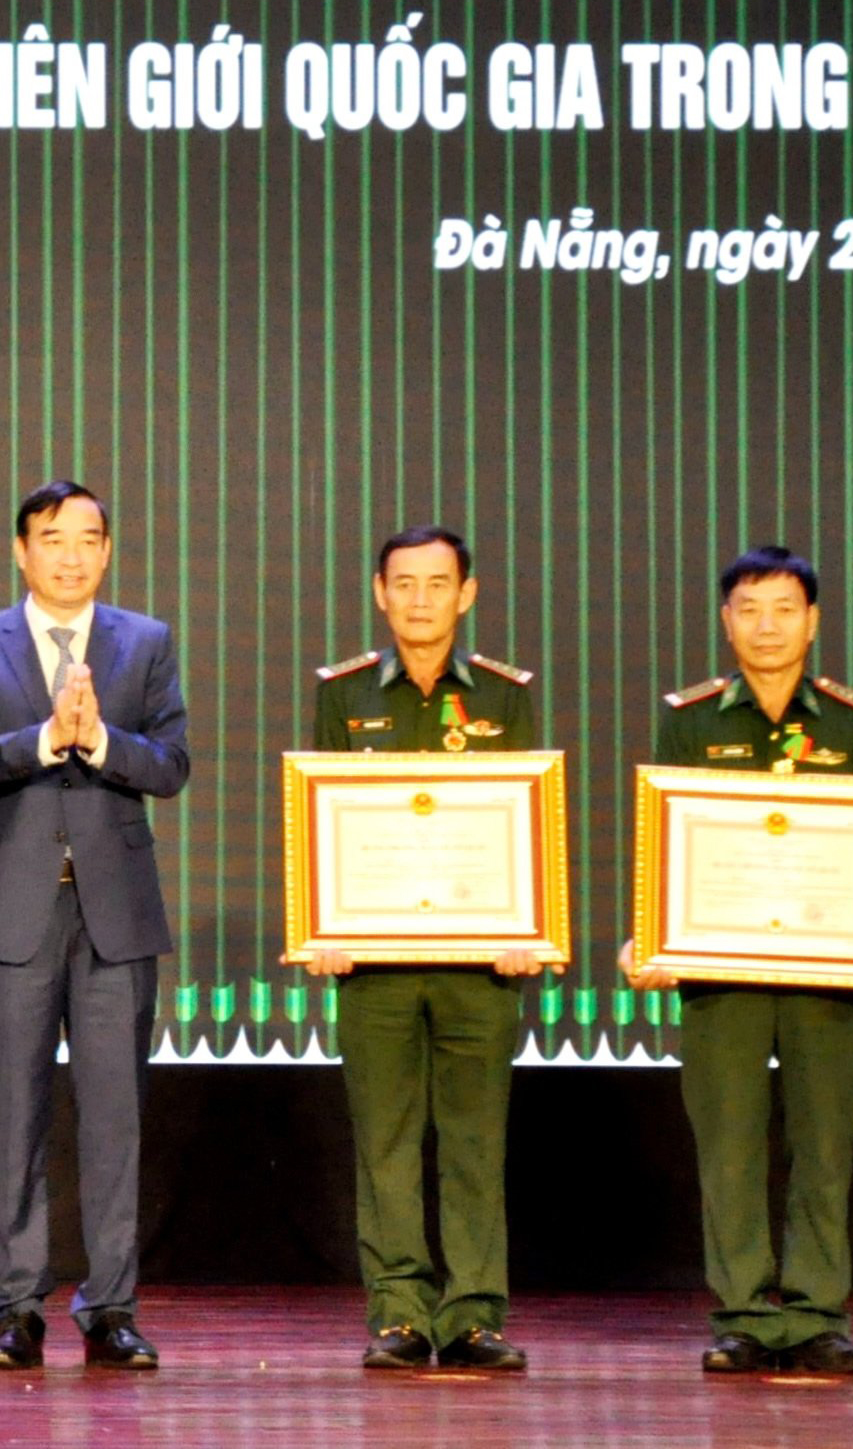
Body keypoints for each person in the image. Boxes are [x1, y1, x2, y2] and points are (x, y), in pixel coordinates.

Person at [619, 544, 853, 1377]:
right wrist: (649, 932)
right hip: (721, 974)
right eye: (749, 607)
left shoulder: (852, 721)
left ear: (813, 620)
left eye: (784, 607)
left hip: (826, 973)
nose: (766, 624)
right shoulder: (691, 718)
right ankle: (746, 1316)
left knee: (825, 1149)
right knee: (729, 1146)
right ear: (726, 620)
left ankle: (819, 1315)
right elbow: (667, 838)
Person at [0, 480, 190, 1371]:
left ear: (107, 550)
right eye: (52, 538)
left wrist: (103, 741)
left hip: (115, 914)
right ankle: (16, 1307)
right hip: (11, 912)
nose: (71, 554)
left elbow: (172, 763)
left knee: (115, 1118)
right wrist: (45, 739)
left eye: (88, 538)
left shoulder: (145, 642)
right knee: (14, 1117)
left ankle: (111, 1306)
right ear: (21, 550)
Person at [303, 526, 544, 1373]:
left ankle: (475, 1314)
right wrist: (323, 925)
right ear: (379, 591)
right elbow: (321, 817)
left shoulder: (506, 697)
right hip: (375, 967)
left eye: (437, 583)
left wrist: (527, 926)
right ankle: (400, 1313)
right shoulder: (343, 695)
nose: (419, 599)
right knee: (387, 1145)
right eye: (403, 583)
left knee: (476, 1144)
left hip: (481, 965)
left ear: (466, 595)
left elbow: (527, 819)